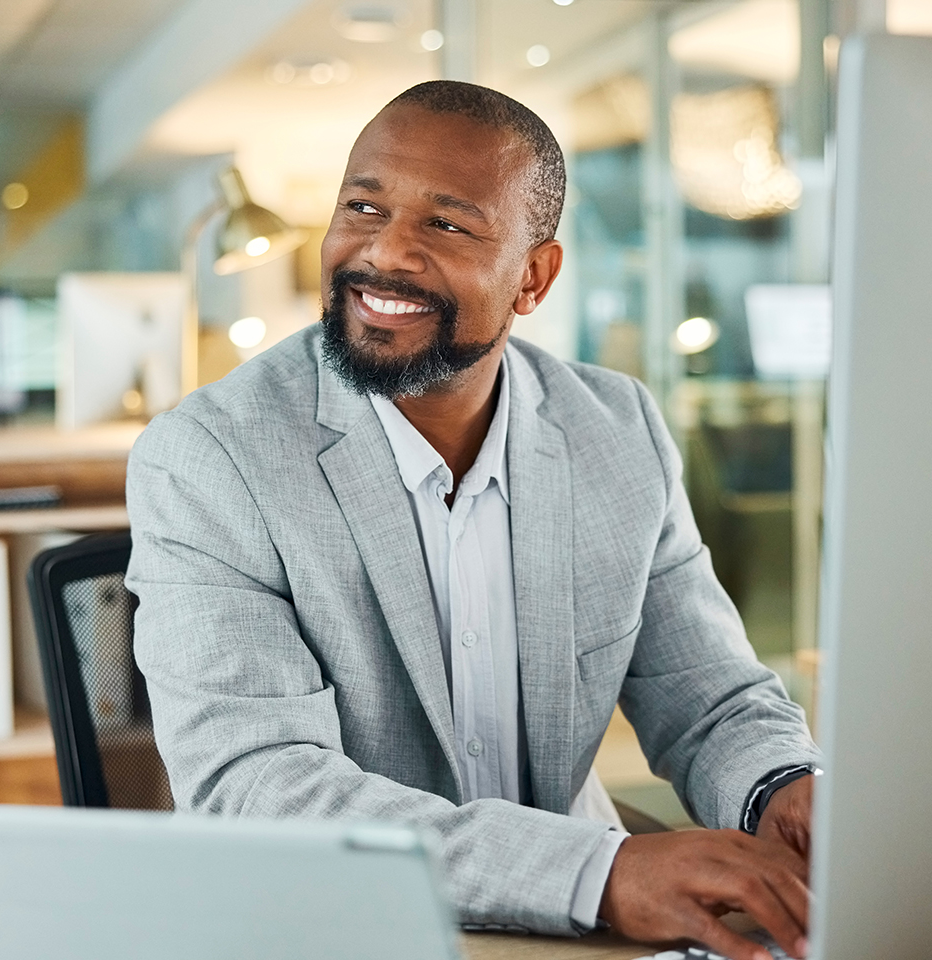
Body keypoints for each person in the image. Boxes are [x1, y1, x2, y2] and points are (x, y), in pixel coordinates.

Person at [126, 81, 822, 960]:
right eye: (362, 206)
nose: (384, 251)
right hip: (342, 929)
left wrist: (784, 787)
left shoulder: (617, 430)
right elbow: (260, 786)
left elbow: (708, 695)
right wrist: (599, 874)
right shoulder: (210, 458)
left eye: (446, 225)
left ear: (533, 277)